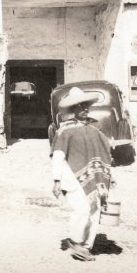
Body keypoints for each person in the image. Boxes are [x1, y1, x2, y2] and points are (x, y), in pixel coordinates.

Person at [51, 87, 113, 261]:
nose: (86, 109)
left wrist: (108, 175)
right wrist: (56, 180)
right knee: (82, 209)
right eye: (81, 106)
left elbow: (103, 152)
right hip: (71, 176)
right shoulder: (64, 131)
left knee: (95, 210)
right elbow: (58, 155)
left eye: (87, 105)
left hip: (94, 177)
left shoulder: (94, 130)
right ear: (74, 109)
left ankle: (86, 246)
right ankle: (76, 242)